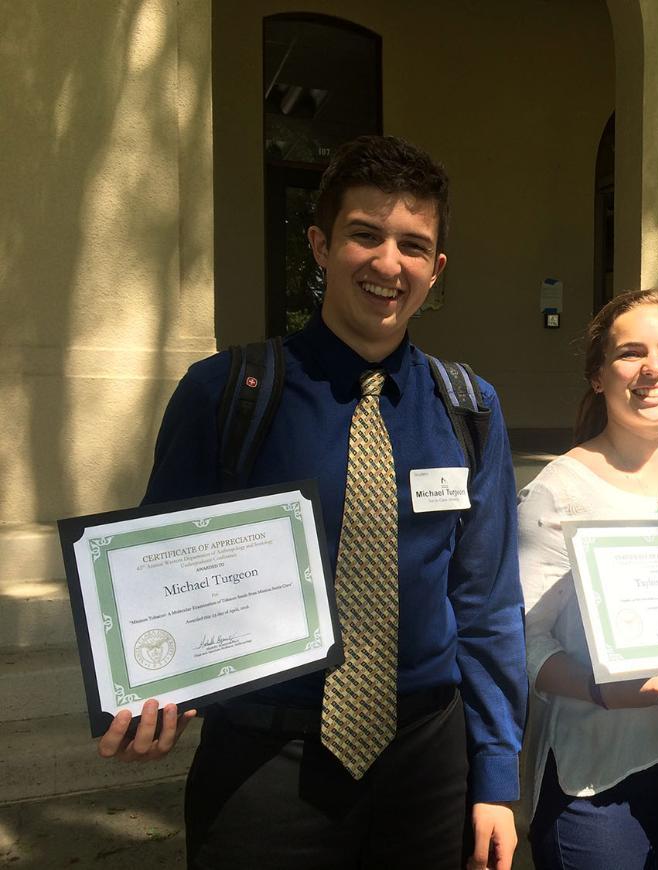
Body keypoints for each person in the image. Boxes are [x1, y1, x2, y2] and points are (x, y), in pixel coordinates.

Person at [95, 135, 527, 870]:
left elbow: (487, 606)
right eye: (366, 235)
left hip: (427, 767)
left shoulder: (469, 409)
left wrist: (494, 775)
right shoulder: (226, 394)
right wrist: (143, 692)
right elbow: (157, 578)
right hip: (267, 764)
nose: (389, 264)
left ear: (436, 270)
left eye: (413, 246)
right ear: (321, 246)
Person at [518, 288, 658, 869]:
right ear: (597, 375)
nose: (653, 369)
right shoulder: (558, 490)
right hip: (596, 783)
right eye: (630, 353)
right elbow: (522, 640)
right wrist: (601, 688)